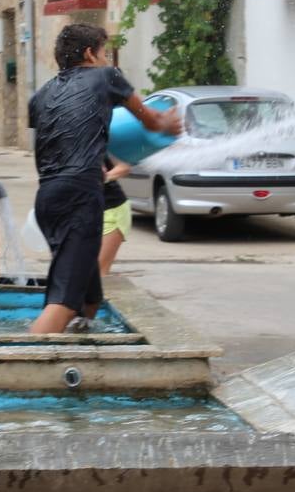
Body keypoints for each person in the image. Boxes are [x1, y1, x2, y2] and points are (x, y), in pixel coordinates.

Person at [26, 24, 180, 334]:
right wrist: (168, 124)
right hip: (81, 197)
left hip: (47, 198)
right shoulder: (106, 77)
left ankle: (81, 343)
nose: (106, 58)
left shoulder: (40, 96)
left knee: (89, 297)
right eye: (104, 52)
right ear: (89, 54)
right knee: (65, 303)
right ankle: (20, 367)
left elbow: (56, 138)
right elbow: (151, 121)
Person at [98, 157, 132, 277]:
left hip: (110, 209)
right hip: (78, 212)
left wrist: (102, 178)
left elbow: (124, 167)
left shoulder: (100, 140)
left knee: (96, 273)